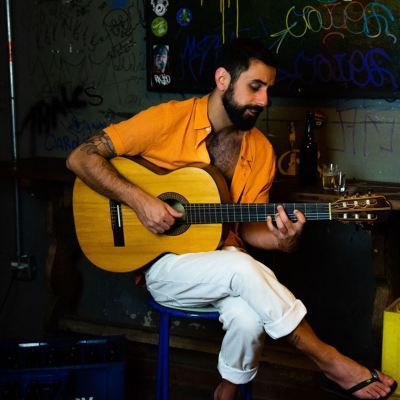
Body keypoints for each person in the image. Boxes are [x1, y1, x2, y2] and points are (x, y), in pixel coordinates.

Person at [67, 38, 397, 400]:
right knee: (242, 270)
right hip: (162, 266)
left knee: (249, 316)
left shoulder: (261, 151)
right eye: (255, 87)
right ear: (222, 79)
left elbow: (249, 230)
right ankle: (329, 360)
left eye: (268, 89)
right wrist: (141, 201)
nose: (264, 100)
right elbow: (81, 158)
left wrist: (284, 240)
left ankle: (226, 390)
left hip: (227, 264)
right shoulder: (168, 120)